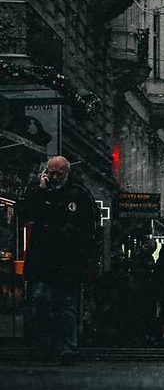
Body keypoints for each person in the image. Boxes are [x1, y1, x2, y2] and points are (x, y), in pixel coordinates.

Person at [15, 155, 97, 363]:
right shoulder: (40, 192)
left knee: (66, 306)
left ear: (66, 172)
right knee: (41, 302)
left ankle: (67, 348)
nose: (54, 176)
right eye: (51, 172)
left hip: (68, 262)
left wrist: (84, 256)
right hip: (42, 261)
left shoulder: (78, 194)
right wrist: (39, 190)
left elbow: (90, 227)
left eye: (58, 172)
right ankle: (46, 344)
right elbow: (23, 212)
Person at [128, 237, 158, 345]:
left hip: (143, 288)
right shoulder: (141, 256)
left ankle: (142, 335)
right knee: (142, 312)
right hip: (141, 288)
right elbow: (136, 270)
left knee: (143, 312)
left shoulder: (143, 255)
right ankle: (141, 335)